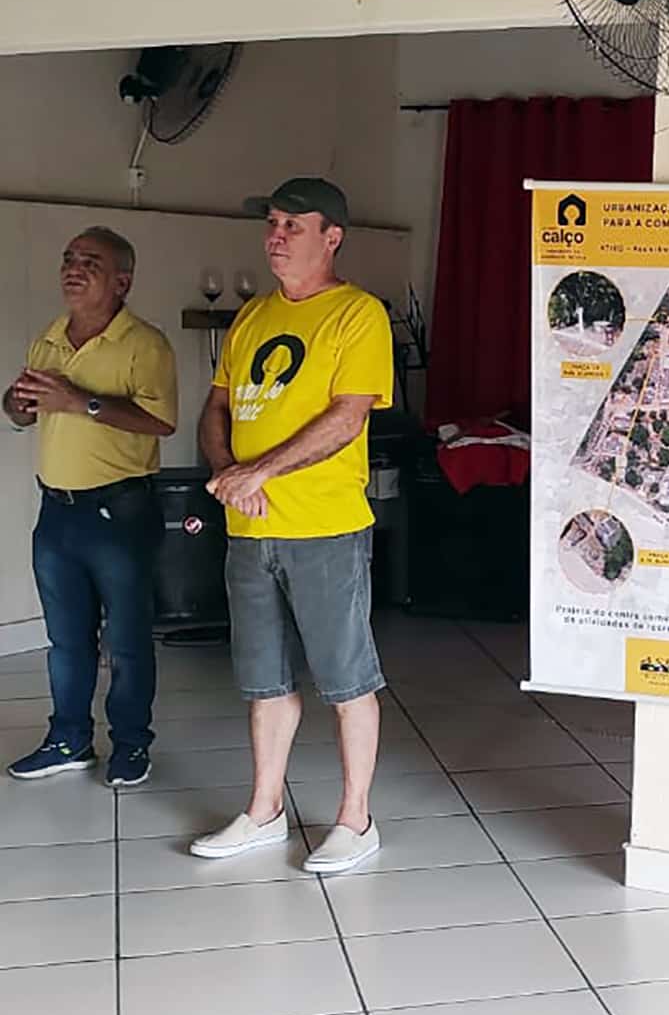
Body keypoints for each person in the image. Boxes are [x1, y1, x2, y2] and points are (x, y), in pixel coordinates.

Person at [190, 177, 394, 875]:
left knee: (346, 678)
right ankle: (264, 809)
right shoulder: (252, 315)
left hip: (325, 527)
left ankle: (356, 819)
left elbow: (347, 418)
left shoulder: (358, 314)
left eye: (292, 225)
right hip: (250, 530)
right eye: (272, 223)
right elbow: (217, 407)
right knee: (263, 679)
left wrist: (259, 472)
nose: (275, 236)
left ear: (331, 237)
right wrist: (227, 472)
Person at [4, 227, 177, 787]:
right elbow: (22, 411)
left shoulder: (145, 344)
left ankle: (130, 744)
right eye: (69, 259)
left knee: (126, 640)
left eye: (90, 263)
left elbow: (162, 421)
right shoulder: (49, 338)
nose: (73, 270)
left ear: (121, 282)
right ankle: (68, 739)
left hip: (120, 512)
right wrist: (18, 403)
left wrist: (81, 402)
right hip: (56, 511)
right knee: (66, 639)